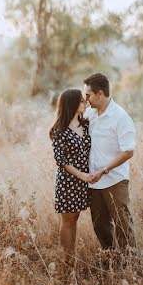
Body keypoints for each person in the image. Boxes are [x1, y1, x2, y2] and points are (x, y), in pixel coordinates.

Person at [82, 73, 136, 251]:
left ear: (99, 93)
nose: (86, 99)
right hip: (93, 181)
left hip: (114, 180)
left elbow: (128, 151)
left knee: (123, 224)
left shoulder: (120, 117)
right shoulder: (89, 114)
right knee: (100, 225)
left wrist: (104, 170)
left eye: (88, 95)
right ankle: (111, 262)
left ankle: (129, 267)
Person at [49, 88, 92, 269]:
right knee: (67, 220)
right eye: (82, 101)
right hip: (68, 181)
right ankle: (67, 261)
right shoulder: (59, 130)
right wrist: (81, 175)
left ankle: (71, 258)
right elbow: (62, 161)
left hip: (85, 181)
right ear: (73, 104)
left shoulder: (86, 124)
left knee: (75, 218)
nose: (85, 103)